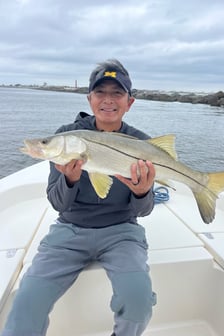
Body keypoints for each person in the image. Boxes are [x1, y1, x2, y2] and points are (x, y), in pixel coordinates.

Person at [1, 59, 157, 336]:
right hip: (69, 231)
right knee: (27, 300)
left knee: (138, 299)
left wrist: (143, 191)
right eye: (100, 92)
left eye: (117, 93)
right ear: (89, 98)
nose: (108, 100)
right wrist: (70, 179)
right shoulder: (66, 137)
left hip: (122, 232)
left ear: (129, 102)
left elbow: (144, 211)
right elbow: (58, 203)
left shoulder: (142, 144)